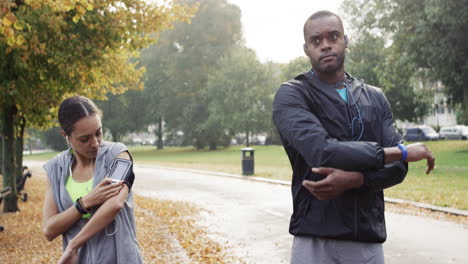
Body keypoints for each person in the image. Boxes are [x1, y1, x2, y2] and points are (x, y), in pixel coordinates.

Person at [272, 11, 435, 264]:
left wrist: (356, 179)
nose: (325, 45)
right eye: (316, 41)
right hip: (315, 238)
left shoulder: (375, 97)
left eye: (333, 37)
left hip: (366, 237)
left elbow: (397, 170)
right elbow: (322, 152)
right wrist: (400, 152)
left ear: (345, 41)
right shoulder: (293, 95)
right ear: (306, 48)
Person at [42, 96, 142, 264]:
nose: (95, 143)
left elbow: (115, 204)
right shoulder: (56, 169)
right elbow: (49, 229)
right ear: (65, 135)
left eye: (98, 133)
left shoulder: (118, 155)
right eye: (85, 138)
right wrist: (84, 203)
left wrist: (74, 244)